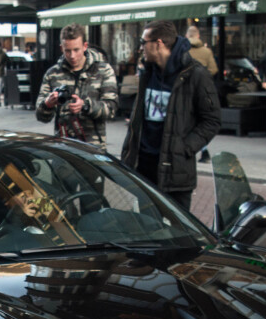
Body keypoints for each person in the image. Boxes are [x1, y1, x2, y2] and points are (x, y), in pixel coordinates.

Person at [120, 20, 221, 212]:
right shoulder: (147, 72)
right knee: (148, 226)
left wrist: (184, 147)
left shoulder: (195, 75)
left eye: (143, 42)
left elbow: (212, 120)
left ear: (158, 44)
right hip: (144, 166)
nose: (141, 48)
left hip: (175, 170)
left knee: (179, 233)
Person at [35, 24, 118, 151]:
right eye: (67, 51)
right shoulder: (52, 74)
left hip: (93, 148)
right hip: (64, 149)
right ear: (61, 48)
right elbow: (41, 117)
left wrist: (85, 106)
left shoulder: (103, 70)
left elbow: (111, 109)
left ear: (85, 46)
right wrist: (48, 104)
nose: (72, 56)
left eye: (76, 50)